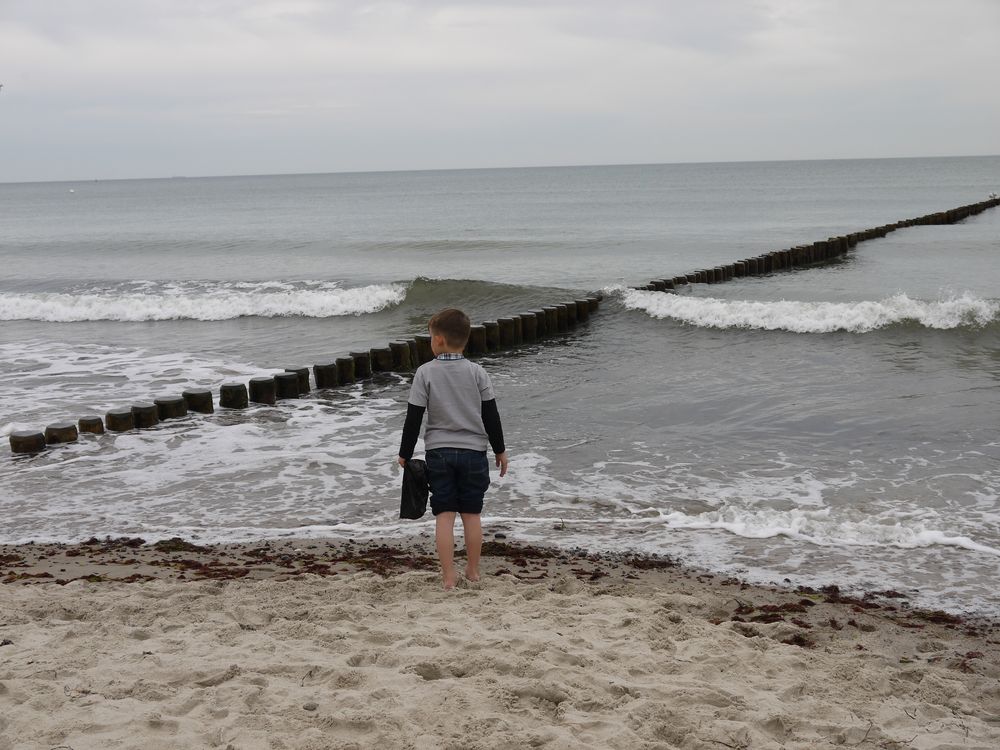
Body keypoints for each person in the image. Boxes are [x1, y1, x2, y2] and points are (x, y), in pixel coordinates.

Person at [397, 308, 508, 589]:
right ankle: (472, 572)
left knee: (444, 515)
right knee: (472, 515)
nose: (430, 341)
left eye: (431, 337)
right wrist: (500, 450)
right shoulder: (477, 373)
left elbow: (414, 416)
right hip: (474, 453)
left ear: (440, 340)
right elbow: (490, 416)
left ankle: (448, 577)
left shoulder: (425, 373)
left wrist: (405, 452)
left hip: (440, 454)